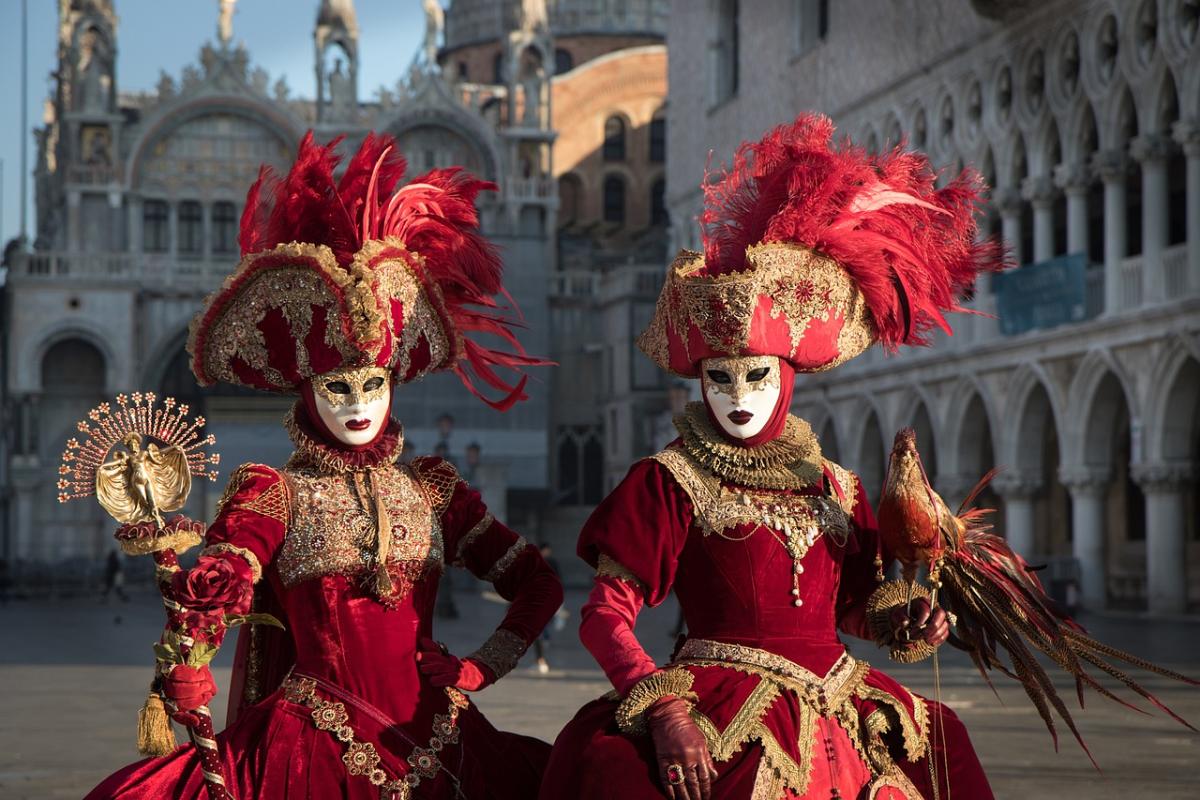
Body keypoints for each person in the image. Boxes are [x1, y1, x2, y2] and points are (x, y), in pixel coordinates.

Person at [85, 132, 562, 799]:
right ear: (308, 389)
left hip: (440, 742)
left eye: (373, 384)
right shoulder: (273, 494)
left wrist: (478, 671)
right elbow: (224, 583)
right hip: (309, 750)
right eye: (340, 388)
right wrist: (192, 653)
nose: (359, 404)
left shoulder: (433, 491)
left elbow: (539, 584)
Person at [540, 114, 1003, 800]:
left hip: (841, 694)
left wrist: (900, 617)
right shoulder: (670, 481)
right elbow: (605, 614)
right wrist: (666, 709)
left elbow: (851, 607)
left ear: (786, 376)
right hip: (717, 697)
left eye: (755, 376)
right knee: (613, 772)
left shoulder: (836, 486)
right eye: (719, 378)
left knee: (944, 746)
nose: (737, 395)